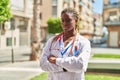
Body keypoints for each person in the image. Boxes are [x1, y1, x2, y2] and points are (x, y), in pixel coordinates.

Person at [40, 8, 91, 80]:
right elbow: (43, 64)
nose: (64, 23)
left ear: (76, 21)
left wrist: (56, 61)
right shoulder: (52, 41)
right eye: (62, 20)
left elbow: (80, 65)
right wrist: (66, 67)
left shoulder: (84, 42)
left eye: (68, 20)